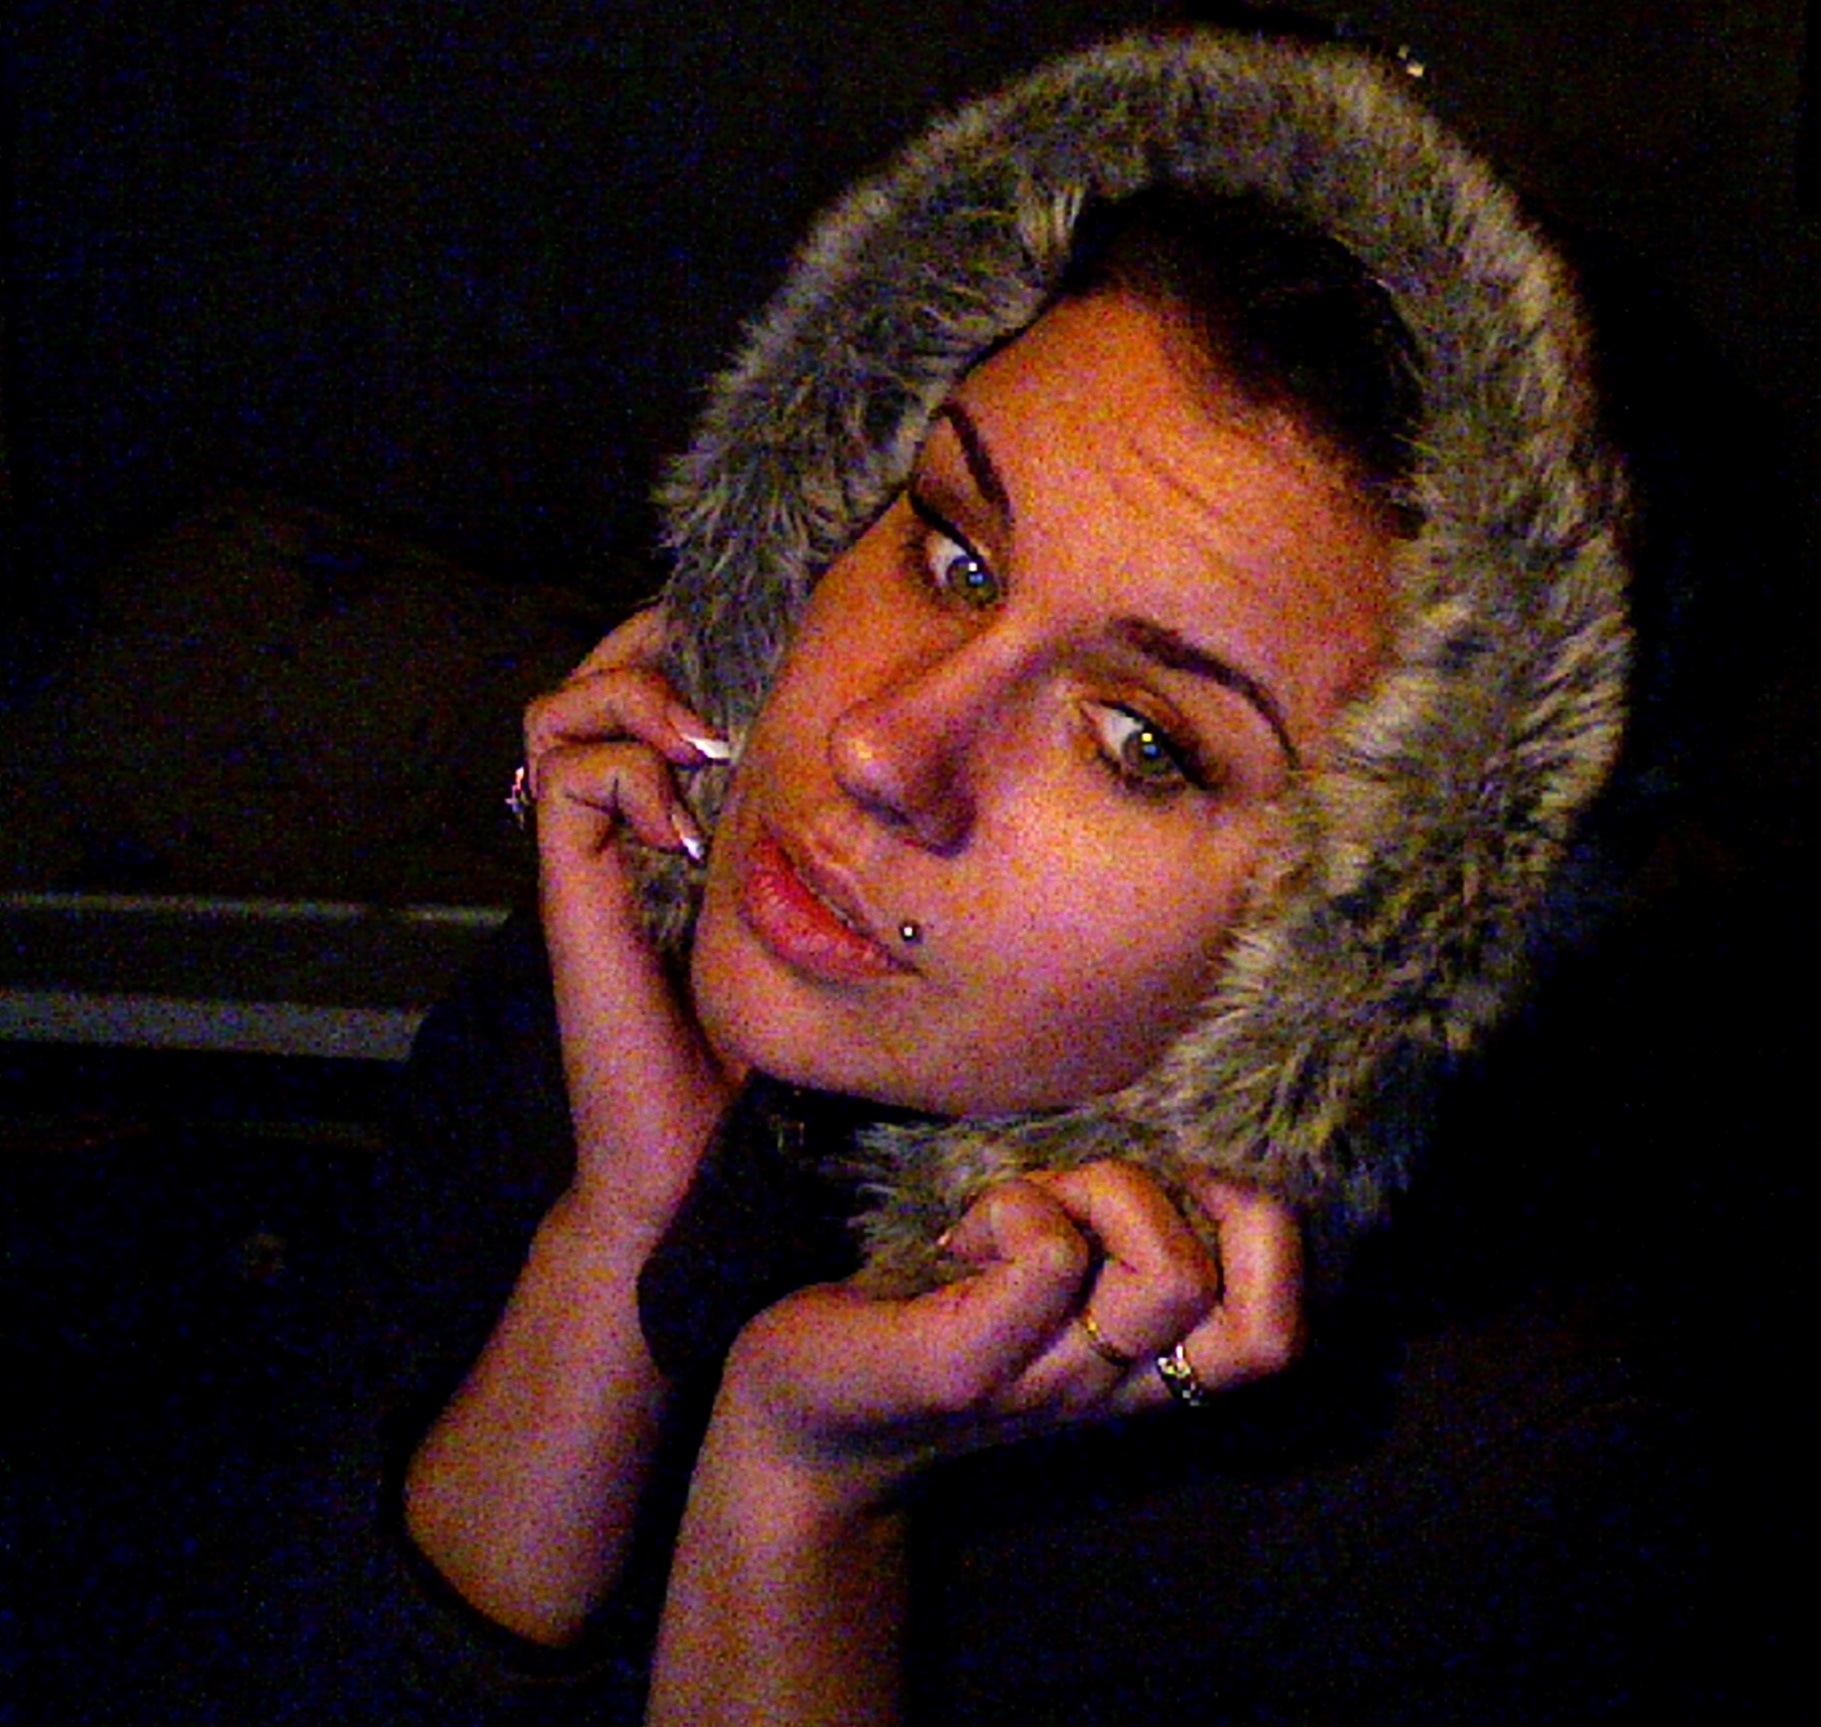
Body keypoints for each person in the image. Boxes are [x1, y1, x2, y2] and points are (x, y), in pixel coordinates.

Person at [373, 27, 1694, 1724]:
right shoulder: (617, 1011)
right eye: (952, 550)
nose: (880, 748)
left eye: (1140, 741)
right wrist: (621, 1239)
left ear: (1363, 957)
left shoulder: (1483, 1510)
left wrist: (804, 1497)